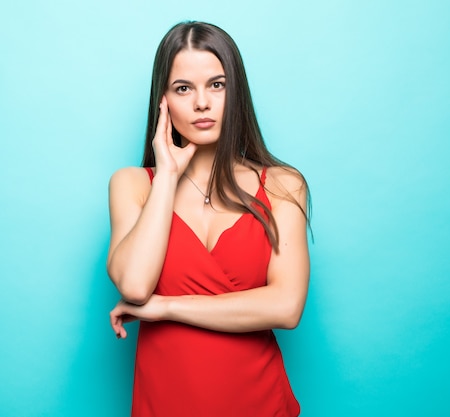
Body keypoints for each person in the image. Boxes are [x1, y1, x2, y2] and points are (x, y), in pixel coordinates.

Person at [107, 21, 310, 417]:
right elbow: (134, 285)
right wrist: (167, 174)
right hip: (166, 403)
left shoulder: (284, 185)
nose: (202, 102)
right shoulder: (133, 185)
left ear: (237, 92)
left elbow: (286, 307)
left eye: (217, 84)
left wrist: (167, 308)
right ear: (163, 100)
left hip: (260, 401)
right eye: (183, 88)